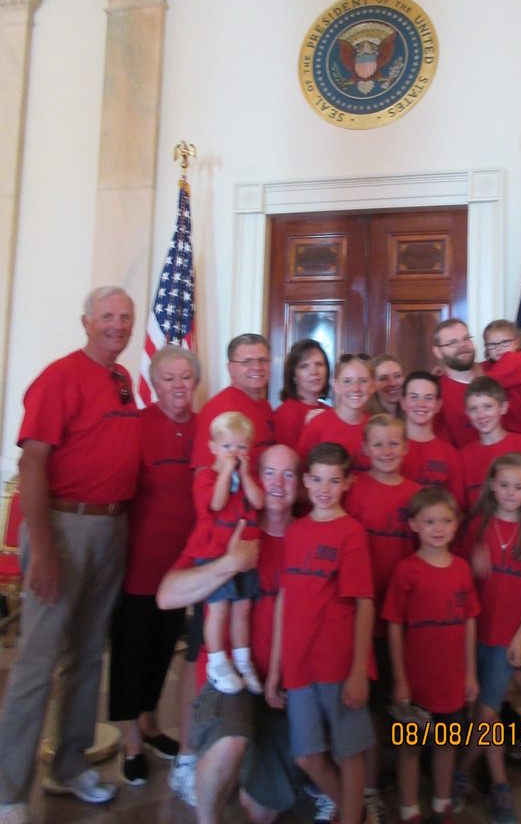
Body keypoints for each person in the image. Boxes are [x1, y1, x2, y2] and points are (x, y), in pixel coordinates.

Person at [0, 287, 140, 822]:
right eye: (108, 316)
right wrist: (44, 551)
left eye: (125, 317)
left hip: (110, 529)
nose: (118, 325)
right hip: (62, 528)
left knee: (86, 656)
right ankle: (12, 790)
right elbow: (32, 464)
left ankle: (68, 764)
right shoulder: (59, 377)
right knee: (37, 662)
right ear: (86, 322)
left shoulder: (122, 380)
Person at [157, 445, 309, 824]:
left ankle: (252, 771)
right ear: (254, 476)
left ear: (301, 484)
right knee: (231, 743)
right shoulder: (227, 529)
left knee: (262, 809)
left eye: (288, 474)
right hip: (229, 682)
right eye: (269, 473)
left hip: (281, 688)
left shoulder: (309, 537)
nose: (277, 484)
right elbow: (167, 596)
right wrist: (229, 563)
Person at [265, 442, 375, 824]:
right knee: (306, 755)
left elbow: (363, 604)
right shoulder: (295, 531)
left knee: (348, 752)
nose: (324, 488)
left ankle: (350, 817)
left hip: (337, 662)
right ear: (306, 482)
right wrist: (276, 668)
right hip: (298, 665)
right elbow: (284, 598)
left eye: (334, 480)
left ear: (348, 483)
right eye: (316, 479)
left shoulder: (351, 533)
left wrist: (359, 670)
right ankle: (354, 813)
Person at [108, 345, 200, 786]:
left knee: (165, 649)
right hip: (141, 562)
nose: (178, 386)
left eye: (185, 377)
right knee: (131, 652)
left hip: (183, 567)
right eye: (169, 378)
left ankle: (148, 724)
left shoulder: (205, 428)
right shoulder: (137, 424)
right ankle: (129, 742)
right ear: (155, 382)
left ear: (196, 382)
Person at [460, 455, 521, 824]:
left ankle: (459, 773)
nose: (511, 493)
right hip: (471, 633)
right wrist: (471, 560)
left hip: (506, 639)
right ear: (492, 486)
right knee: (487, 711)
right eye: (504, 485)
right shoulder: (478, 526)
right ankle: (499, 783)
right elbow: (453, 571)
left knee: (485, 713)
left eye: (519, 487)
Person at [382, 486, 479, 824]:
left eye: (446, 520)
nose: (438, 528)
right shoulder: (406, 571)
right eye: (429, 521)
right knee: (409, 748)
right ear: (414, 525)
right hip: (416, 680)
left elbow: (469, 621)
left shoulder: (463, 570)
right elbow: (394, 625)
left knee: (446, 745)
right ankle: (409, 808)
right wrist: (401, 680)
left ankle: (441, 802)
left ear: (457, 524)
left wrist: (470, 674)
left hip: (451, 679)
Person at [344, 415, 420, 819]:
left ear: (406, 447)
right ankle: (370, 786)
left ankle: (410, 789)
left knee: (405, 700)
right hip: (365, 619)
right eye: (379, 445)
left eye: (394, 444)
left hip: (405, 621)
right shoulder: (355, 493)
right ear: (365, 450)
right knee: (370, 708)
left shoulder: (417, 495)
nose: (387, 452)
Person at [186, 412, 264, 695]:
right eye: (228, 447)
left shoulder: (247, 477)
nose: (235, 453)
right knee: (218, 609)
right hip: (215, 553)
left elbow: (259, 501)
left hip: (246, 553)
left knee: (243, 608)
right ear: (213, 448)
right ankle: (217, 661)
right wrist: (225, 474)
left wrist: (243, 475)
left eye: (242, 447)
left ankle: (242, 661)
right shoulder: (206, 477)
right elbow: (217, 503)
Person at [192, 333, 275, 472]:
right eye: (247, 362)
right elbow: (204, 473)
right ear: (230, 368)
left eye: (263, 360)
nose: (257, 367)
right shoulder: (219, 410)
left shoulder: (265, 406)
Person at [459, 378, 521, 514]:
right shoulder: (463, 455)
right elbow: (463, 509)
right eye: (473, 409)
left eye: (488, 407)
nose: (481, 415)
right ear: (466, 413)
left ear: (503, 407)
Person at [296, 354, 375, 473]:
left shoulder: (376, 428)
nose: (356, 388)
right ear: (336, 385)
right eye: (347, 381)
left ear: (373, 386)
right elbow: (300, 472)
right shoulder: (318, 424)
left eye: (363, 381)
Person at [399, 371, 463, 508]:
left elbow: (457, 509)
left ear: (438, 405)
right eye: (414, 397)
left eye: (428, 398)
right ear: (403, 402)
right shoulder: (389, 450)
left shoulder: (451, 455)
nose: (421, 404)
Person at [431, 319, 481, 450]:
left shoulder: (496, 376)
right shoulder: (435, 394)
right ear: (438, 352)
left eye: (466, 338)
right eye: (453, 342)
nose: (463, 345)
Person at [273, 339, 331, 450]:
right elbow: (289, 464)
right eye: (304, 366)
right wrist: (309, 429)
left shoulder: (330, 411)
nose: (314, 372)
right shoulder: (284, 414)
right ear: (293, 375)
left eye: (319, 364)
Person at [480, 320, 521, 434]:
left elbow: (485, 383)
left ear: (517, 343)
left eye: (505, 342)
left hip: (520, 430)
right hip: (510, 428)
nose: (498, 348)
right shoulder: (494, 364)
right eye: (492, 344)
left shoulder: (515, 359)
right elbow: (474, 369)